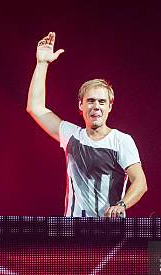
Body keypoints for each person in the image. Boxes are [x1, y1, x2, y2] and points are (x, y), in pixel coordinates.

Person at [27, 32, 148, 218]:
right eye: (90, 101)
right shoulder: (71, 135)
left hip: (110, 234)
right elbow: (35, 107)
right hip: (74, 234)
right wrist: (42, 63)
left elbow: (140, 182)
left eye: (101, 102)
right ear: (81, 105)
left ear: (110, 106)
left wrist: (121, 205)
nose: (96, 107)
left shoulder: (121, 141)